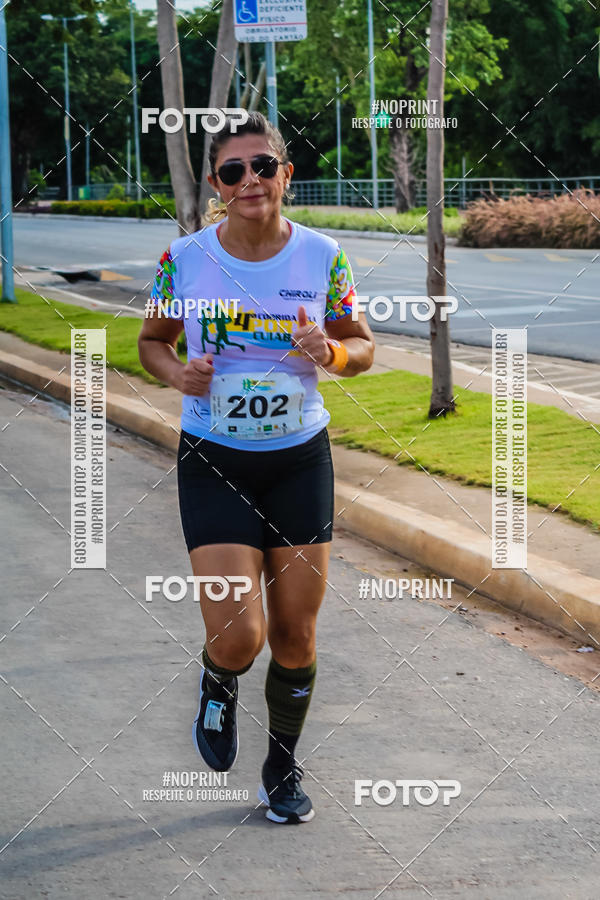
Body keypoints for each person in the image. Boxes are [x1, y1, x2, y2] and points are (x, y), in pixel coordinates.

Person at [138, 111, 375, 824]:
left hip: (300, 459)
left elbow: (361, 345)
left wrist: (328, 354)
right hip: (215, 459)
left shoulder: (323, 256)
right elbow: (152, 341)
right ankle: (218, 680)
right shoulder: (182, 259)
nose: (251, 182)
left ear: (285, 175)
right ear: (216, 184)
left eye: (263, 166)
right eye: (234, 171)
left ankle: (282, 764)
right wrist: (179, 375)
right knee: (241, 638)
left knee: (296, 634)